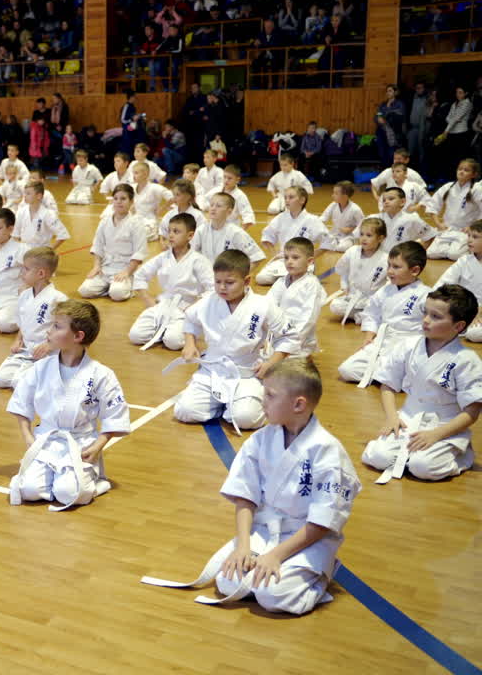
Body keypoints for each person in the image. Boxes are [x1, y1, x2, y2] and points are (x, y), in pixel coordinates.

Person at [147, 358, 360, 615]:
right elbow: (244, 497)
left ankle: (319, 577)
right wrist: (244, 546)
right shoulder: (260, 440)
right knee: (228, 582)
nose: (262, 401)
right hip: (264, 530)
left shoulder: (328, 453)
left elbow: (321, 523)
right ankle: (270, 567)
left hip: (307, 539)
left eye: (270, 395)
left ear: (298, 404)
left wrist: (276, 556)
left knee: (272, 596)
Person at [6, 299, 130, 509]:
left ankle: (96, 482)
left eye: (57, 326)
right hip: (46, 439)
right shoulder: (41, 368)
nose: (49, 331)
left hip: (81, 444)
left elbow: (114, 416)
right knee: (29, 490)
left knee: (68, 494)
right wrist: (28, 436)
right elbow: (21, 403)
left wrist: (98, 446)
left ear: (78, 336)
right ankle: (56, 477)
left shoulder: (101, 374)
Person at [364, 284, 481, 482]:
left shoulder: (467, 360)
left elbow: (472, 411)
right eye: (425, 313)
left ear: (458, 326)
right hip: (408, 418)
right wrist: (392, 417)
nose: (426, 320)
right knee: (377, 456)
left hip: (446, 424)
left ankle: (461, 455)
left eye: (436, 317)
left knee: (422, 467)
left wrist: (436, 434)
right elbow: (388, 385)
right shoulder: (409, 345)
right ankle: (411, 453)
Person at [173, 249, 294, 432]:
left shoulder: (262, 305)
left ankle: (245, 401)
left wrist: (271, 363)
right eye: (218, 282)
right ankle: (222, 404)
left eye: (229, 283)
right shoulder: (208, 302)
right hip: (212, 371)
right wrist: (190, 343)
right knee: (184, 411)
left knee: (245, 419)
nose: (222, 287)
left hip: (247, 372)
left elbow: (289, 336)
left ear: (246, 281)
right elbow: (190, 320)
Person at [338, 242, 431, 385]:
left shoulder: (426, 295)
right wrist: (369, 337)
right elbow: (372, 314)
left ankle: (390, 374)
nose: (390, 271)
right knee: (347, 370)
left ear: (414, 270)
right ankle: (388, 375)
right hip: (382, 342)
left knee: (418, 374)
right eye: (389, 265)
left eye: (396, 267)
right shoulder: (385, 290)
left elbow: (433, 327)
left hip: (408, 347)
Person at [129, 214, 214, 351]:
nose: (170, 235)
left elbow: (212, 289)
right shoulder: (163, 258)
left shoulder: (199, 260)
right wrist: (148, 300)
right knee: (135, 336)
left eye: (176, 231)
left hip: (185, 308)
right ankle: (165, 329)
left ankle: (175, 331)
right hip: (162, 305)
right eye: (169, 231)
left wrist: (194, 307)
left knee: (173, 342)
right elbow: (140, 275)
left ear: (190, 236)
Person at [0, 247, 68, 388]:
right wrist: (18, 340)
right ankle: (29, 369)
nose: (22, 273)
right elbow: (23, 323)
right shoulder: (24, 296)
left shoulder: (58, 299)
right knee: (1, 380)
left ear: (41, 273)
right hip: (26, 350)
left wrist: (50, 345)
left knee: (19, 382)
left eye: (26, 269)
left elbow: (66, 329)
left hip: (47, 352)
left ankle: (55, 371)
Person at [79, 185, 147, 301]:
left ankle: (125, 287)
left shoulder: (136, 224)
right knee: (84, 290)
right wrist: (96, 266)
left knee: (117, 294)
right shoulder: (105, 221)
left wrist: (127, 272)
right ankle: (108, 287)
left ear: (131, 201)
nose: (119, 202)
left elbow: (139, 252)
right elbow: (98, 245)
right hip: (106, 267)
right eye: (116, 198)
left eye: (123, 199)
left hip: (125, 268)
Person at [266, 238, 327, 357]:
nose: (289, 262)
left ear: (309, 261)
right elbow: (267, 305)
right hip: (278, 334)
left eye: (295, 258)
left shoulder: (312, 284)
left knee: (277, 365)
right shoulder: (281, 281)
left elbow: (308, 318)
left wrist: (291, 341)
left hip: (300, 340)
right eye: (286, 257)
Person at [255, 187, 326, 286]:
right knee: (261, 278)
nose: (287, 200)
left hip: (303, 262)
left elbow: (328, 243)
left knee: (299, 279)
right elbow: (267, 237)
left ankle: (290, 279)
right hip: (283, 259)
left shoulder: (312, 220)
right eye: (285, 198)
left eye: (291, 197)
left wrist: (309, 257)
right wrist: (275, 254)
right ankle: (289, 279)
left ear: (302, 200)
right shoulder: (280, 218)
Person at [330, 218, 390, 325]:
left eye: (369, 235)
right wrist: (344, 285)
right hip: (354, 297)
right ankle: (364, 316)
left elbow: (390, 283)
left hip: (373, 299)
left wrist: (379, 298)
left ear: (381, 238)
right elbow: (342, 270)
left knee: (386, 309)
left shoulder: (386, 258)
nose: (363, 238)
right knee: (335, 305)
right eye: (361, 234)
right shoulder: (352, 251)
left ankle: (363, 315)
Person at [435, 220, 482, 342]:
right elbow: (443, 283)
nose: (469, 240)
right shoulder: (464, 261)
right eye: (469, 235)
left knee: (474, 333)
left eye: (475, 237)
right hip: (466, 308)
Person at [424, 159, 480, 261]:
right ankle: (450, 247)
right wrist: (438, 224)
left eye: (466, 170)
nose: (461, 172)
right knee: (431, 253)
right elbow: (432, 205)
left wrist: (472, 226)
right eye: (460, 169)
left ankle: (462, 248)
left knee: (454, 255)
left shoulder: (476, 189)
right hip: (447, 229)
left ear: (474, 174)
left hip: (466, 231)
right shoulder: (448, 187)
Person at [375, 187, 437, 253]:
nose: (386, 202)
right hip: (379, 259)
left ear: (402, 202)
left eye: (391, 199)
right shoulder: (375, 219)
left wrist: (418, 253)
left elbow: (431, 235)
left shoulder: (411, 219)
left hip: (401, 259)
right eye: (384, 200)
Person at [319, 181, 364, 252]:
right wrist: (314, 222)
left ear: (345, 196)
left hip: (348, 237)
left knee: (341, 248)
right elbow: (323, 218)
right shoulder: (333, 205)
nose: (332, 195)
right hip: (334, 234)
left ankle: (350, 243)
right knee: (323, 243)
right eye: (333, 193)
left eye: (336, 193)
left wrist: (351, 229)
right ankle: (334, 243)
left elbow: (362, 224)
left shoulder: (355, 209)